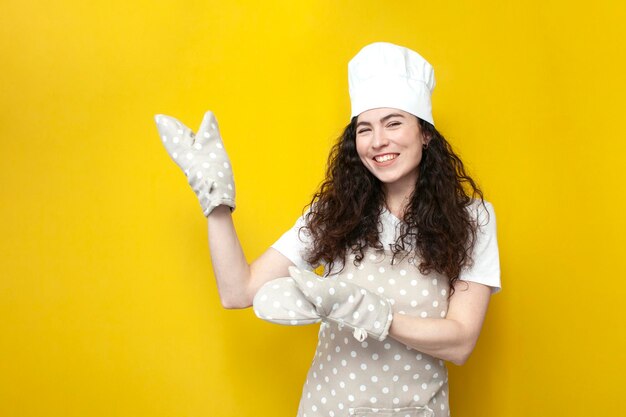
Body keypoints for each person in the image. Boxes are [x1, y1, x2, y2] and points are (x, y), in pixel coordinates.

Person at [154, 42, 500, 417]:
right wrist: (216, 202)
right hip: (329, 408)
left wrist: (372, 313)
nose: (378, 141)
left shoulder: (472, 218)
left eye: (394, 122)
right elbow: (239, 292)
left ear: (425, 133)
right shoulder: (335, 213)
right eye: (364, 129)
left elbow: (461, 341)